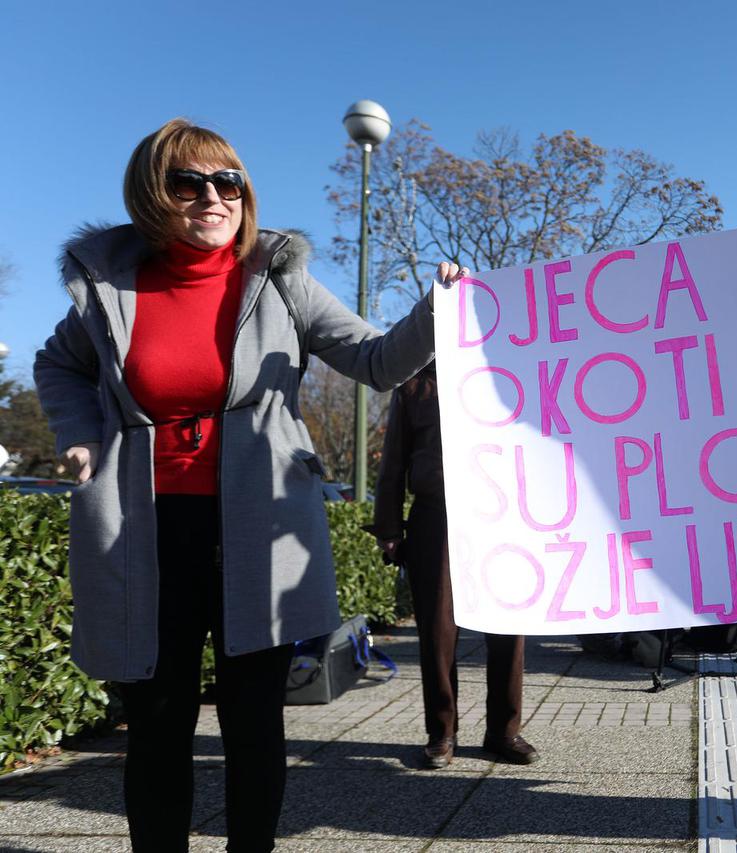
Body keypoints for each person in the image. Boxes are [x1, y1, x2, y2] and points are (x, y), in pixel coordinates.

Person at [33, 118, 464, 852]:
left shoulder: (278, 277)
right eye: (189, 182)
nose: (213, 196)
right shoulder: (112, 284)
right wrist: (81, 434)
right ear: (151, 193)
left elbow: (377, 360)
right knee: (159, 721)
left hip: (258, 528)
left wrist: (437, 309)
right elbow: (58, 364)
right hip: (142, 529)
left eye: (227, 181)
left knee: (255, 720)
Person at [370, 364, 539, 769]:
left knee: (507, 627)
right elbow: (393, 462)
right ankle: (442, 733)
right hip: (436, 515)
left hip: (503, 514)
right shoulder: (414, 384)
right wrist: (389, 528)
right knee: (437, 629)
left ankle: (504, 732)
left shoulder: (511, 371)